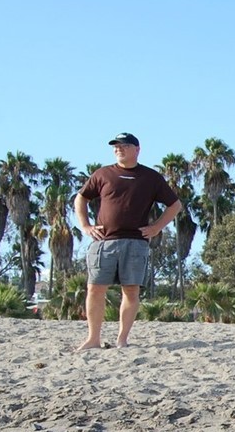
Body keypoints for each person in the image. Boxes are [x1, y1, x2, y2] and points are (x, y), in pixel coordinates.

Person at [74, 132, 182, 350]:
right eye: (116, 146)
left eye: (124, 146)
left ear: (137, 149)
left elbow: (175, 205)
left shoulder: (150, 177)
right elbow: (81, 197)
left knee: (131, 291)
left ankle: (122, 339)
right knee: (95, 288)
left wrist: (156, 227)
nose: (118, 149)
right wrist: (85, 225)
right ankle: (93, 338)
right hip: (103, 242)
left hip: (135, 243)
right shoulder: (103, 174)